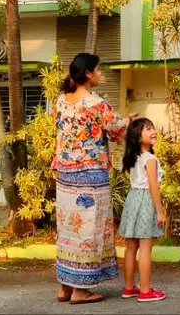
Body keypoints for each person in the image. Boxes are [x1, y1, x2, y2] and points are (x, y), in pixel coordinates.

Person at [52, 53, 136, 305]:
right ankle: (81, 290)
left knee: (68, 229)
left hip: (65, 173)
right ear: (88, 73)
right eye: (99, 70)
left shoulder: (60, 101)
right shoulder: (95, 103)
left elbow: (59, 132)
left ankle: (65, 287)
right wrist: (130, 119)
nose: (102, 74)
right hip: (90, 174)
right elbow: (117, 129)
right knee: (88, 228)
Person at [118, 117, 167, 303]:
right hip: (146, 200)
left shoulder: (135, 157)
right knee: (145, 248)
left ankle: (129, 288)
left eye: (153, 128)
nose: (153, 131)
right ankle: (145, 291)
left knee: (131, 247)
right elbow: (153, 186)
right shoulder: (150, 159)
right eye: (148, 129)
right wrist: (160, 211)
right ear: (138, 137)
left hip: (133, 199)